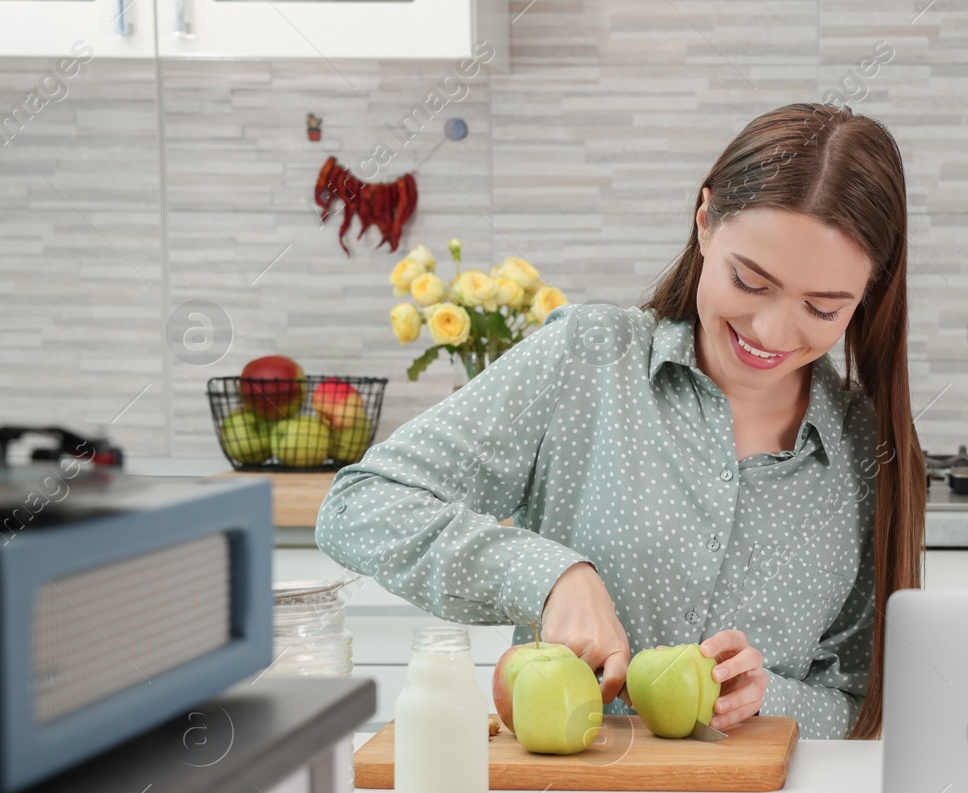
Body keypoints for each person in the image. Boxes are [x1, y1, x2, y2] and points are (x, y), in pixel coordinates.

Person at [315, 102, 925, 740]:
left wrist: (769, 699)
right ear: (705, 221)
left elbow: (862, 706)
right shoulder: (587, 359)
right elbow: (359, 505)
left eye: (823, 309)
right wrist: (549, 576)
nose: (772, 331)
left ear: (868, 293)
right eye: (749, 282)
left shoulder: (867, 449)